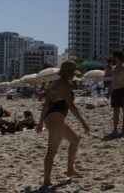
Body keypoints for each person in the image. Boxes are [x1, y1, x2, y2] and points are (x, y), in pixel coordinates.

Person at [35, 60, 89, 188]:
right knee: (51, 151)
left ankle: (70, 170)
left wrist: (40, 122)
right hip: (57, 118)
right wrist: (83, 123)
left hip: (51, 117)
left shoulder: (54, 84)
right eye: (73, 73)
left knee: (75, 140)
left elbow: (45, 105)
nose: (74, 76)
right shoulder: (65, 84)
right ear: (70, 73)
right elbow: (71, 106)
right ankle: (46, 181)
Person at [106, 50, 124, 135]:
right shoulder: (114, 68)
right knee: (115, 111)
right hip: (115, 91)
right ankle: (115, 129)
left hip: (123, 90)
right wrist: (109, 92)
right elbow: (111, 81)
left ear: (117, 57)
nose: (112, 58)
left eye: (113, 56)